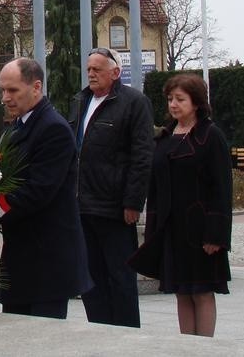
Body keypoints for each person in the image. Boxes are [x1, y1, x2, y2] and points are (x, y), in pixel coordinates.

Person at [0, 58, 92, 319]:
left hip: (46, 259)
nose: (5, 98)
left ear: (36, 87)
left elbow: (36, 192)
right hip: (24, 255)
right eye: (3, 90)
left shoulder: (52, 129)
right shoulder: (21, 126)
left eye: (13, 90)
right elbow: (6, 181)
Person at [129, 73, 233, 337]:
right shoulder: (164, 137)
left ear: (196, 102)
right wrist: (153, 230)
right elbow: (155, 187)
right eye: (170, 99)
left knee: (202, 291)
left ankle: (204, 348)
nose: (173, 104)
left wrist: (216, 235)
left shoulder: (211, 136)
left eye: (180, 99)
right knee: (181, 292)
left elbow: (222, 188)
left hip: (200, 229)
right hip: (172, 228)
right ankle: (186, 348)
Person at [68, 47, 154, 327]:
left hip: (114, 207)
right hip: (83, 205)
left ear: (115, 73)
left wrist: (133, 202)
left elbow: (141, 156)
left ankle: (127, 335)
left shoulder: (133, 102)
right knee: (91, 279)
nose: (91, 74)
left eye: (97, 69)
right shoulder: (81, 100)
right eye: (89, 69)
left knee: (120, 277)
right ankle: (99, 330)